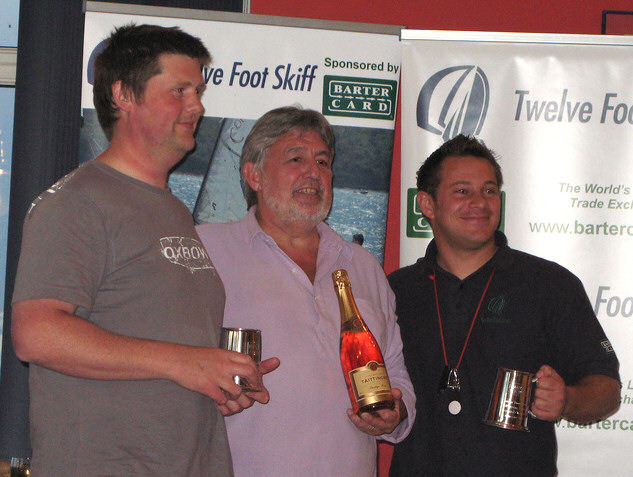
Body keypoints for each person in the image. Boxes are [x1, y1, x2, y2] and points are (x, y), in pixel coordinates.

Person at [11, 24, 277, 477]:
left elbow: (160, 350)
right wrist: (184, 362)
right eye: (179, 90)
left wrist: (214, 379)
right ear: (123, 95)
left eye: (198, 90)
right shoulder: (78, 202)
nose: (197, 105)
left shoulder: (172, 208)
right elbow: (35, 334)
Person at [197, 106, 416, 477]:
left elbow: (394, 370)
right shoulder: (206, 251)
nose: (314, 173)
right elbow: (172, 360)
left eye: (323, 161)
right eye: (295, 158)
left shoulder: (363, 266)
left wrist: (396, 413)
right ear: (254, 175)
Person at [388, 134, 621, 476]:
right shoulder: (395, 291)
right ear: (427, 204)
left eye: (489, 190)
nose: (480, 203)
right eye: (462, 191)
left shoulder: (549, 284)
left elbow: (608, 391)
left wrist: (567, 399)